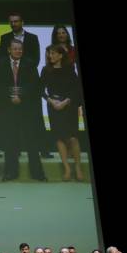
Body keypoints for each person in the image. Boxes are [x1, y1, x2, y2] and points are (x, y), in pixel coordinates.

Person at [0, 39, 47, 181]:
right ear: (9, 50)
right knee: (10, 141)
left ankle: (37, 173)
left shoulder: (30, 63)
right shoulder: (0, 64)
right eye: (15, 48)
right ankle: (11, 172)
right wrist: (9, 95)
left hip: (27, 108)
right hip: (7, 108)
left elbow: (35, 85)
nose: (18, 51)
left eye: (20, 49)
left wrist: (21, 95)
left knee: (32, 142)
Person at [41, 44, 84, 181]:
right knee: (59, 138)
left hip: (68, 106)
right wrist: (51, 101)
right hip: (53, 106)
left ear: (60, 55)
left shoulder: (69, 69)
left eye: (53, 53)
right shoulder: (46, 70)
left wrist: (65, 102)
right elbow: (40, 90)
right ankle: (67, 169)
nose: (50, 56)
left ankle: (77, 167)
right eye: (49, 53)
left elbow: (76, 89)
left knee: (72, 137)